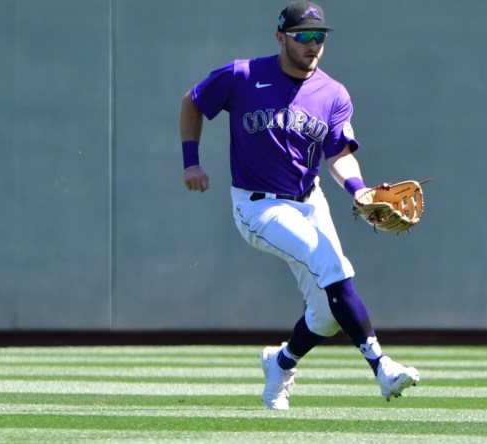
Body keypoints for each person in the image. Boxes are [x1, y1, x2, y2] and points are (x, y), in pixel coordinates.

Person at [179, 0, 419, 410]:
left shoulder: (333, 93)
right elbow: (193, 102)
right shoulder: (242, 75)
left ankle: (280, 361)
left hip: (310, 201)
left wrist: (359, 189)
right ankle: (381, 366)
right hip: (259, 207)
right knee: (333, 266)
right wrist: (191, 162)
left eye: (319, 37)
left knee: (326, 314)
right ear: (280, 37)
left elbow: (339, 155)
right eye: (303, 36)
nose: (313, 44)